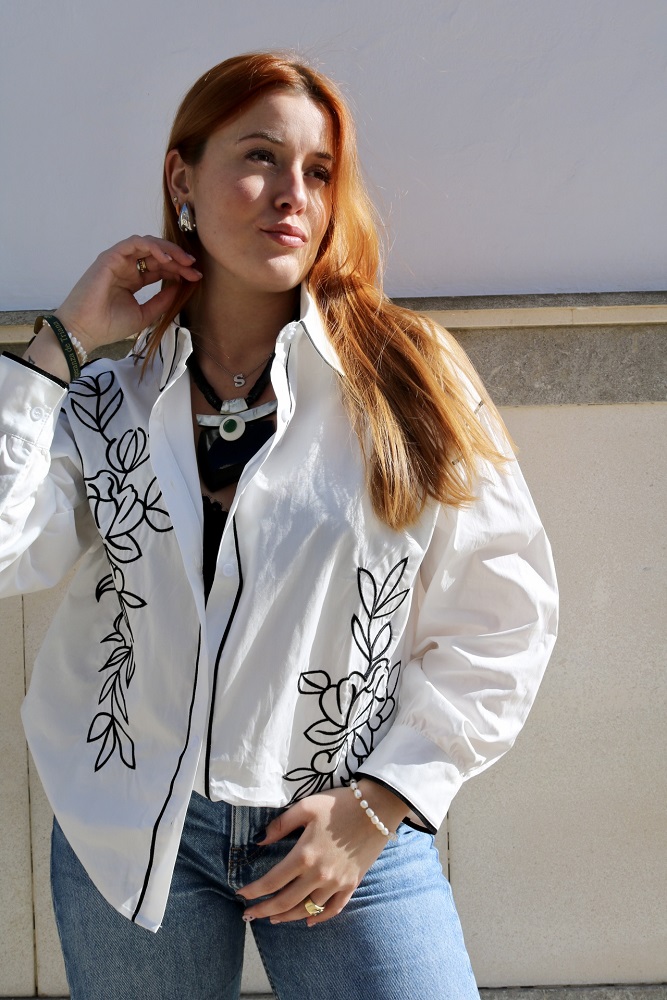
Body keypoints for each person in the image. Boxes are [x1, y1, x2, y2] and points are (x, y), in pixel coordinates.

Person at [0, 52, 558, 1000]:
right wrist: (61, 342)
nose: (293, 194)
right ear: (182, 178)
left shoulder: (403, 377)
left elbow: (503, 615)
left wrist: (383, 802)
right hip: (133, 834)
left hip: (343, 823)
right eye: (260, 157)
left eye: (319, 170)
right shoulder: (109, 396)